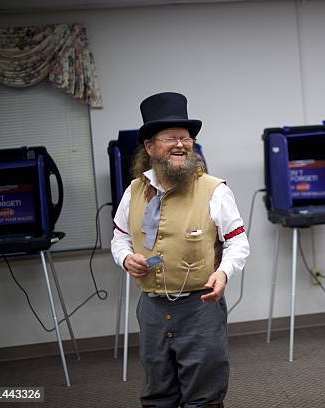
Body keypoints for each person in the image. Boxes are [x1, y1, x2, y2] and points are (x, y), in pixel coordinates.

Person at [111, 92, 249, 408]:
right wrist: (126, 258)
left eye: (186, 139)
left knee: (203, 397)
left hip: (200, 307)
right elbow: (119, 238)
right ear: (149, 147)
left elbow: (238, 241)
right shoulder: (133, 192)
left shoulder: (214, 190)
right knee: (157, 396)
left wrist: (224, 273)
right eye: (170, 138)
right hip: (152, 310)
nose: (180, 145)